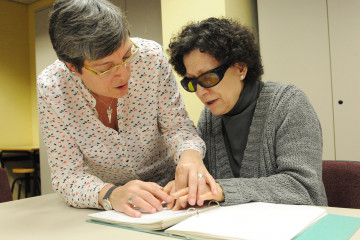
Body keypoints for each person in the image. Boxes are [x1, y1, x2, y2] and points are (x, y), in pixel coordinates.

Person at [37, 0, 216, 218]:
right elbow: (67, 175)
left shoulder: (150, 59)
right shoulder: (53, 88)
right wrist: (111, 194)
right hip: (113, 206)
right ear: (73, 67)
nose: (124, 73)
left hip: (170, 194)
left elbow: (178, 128)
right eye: (106, 68)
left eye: (126, 56)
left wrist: (190, 157)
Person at [165, 17, 327, 208]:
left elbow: (303, 188)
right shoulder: (209, 117)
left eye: (208, 78)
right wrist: (189, 185)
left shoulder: (289, 103)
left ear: (240, 67)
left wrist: (221, 190)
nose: (200, 92)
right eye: (192, 82)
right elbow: (205, 180)